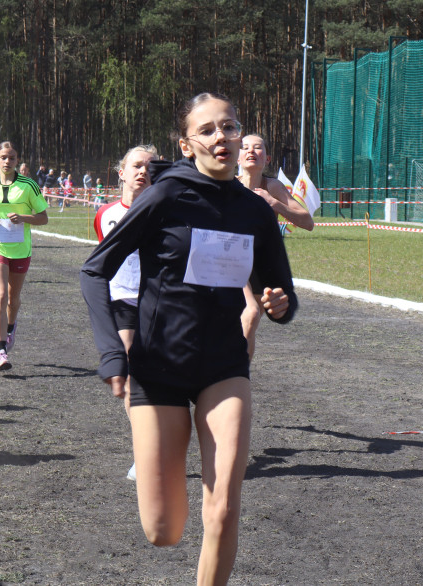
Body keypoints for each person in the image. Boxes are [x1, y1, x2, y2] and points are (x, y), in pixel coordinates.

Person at [81, 93, 296, 586]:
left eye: (230, 126)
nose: (222, 137)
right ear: (187, 143)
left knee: (223, 509)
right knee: (164, 529)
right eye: (208, 130)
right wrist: (114, 352)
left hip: (224, 365)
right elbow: (94, 272)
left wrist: (278, 304)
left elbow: (280, 290)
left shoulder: (255, 211)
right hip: (158, 368)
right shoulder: (165, 196)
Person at [93, 144, 157, 481]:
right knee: (133, 379)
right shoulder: (105, 215)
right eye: (136, 165)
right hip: (123, 302)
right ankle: (143, 453)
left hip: (159, 304)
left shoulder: (164, 211)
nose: (142, 171)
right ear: (121, 172)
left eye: (149, 166)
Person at [0, 142, 48, 371]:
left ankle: (11, 327)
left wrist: (24, 217)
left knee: (13, 300)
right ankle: (0, 351)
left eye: (11, 158)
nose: (7, 161)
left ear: (17, 161)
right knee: (1, 294)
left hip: (20, 249)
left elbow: (43, 217)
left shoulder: (29, 186)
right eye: (3, 157)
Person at [237, 133, 314, 358]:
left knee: (248, 326)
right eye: (245, 147)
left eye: (258, 147)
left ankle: (240, 379)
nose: (251, 151)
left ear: (267, 159)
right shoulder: (229, 186)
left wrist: (272, 202)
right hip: (233, 263)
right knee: (248, 316)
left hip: (262, 267)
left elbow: (307, 222)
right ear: (237, 157)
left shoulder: (272, 186)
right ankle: (234, 380)